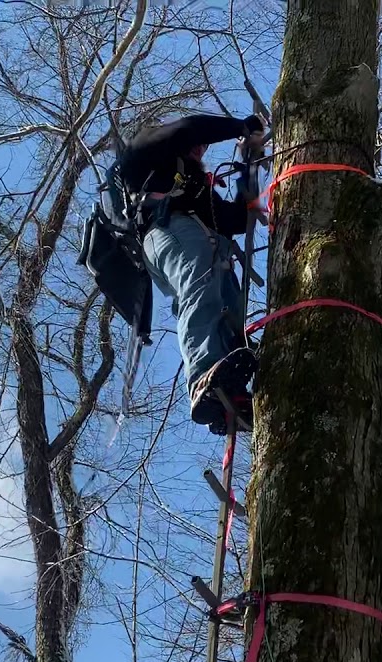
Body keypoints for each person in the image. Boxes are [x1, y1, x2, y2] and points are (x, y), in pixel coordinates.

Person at [119, 113, 266, 433]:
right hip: (169, 231)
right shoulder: (146, 151)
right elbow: (190, 128)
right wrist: (241, 127)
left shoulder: (195, 189)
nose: (201, 148)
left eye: (203, 146)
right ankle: (204, 375)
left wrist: (247, 167)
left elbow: (237, 220)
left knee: (228, 308)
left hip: (202, 242)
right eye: (197, 145)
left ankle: (229, 394)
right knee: (199, 286)